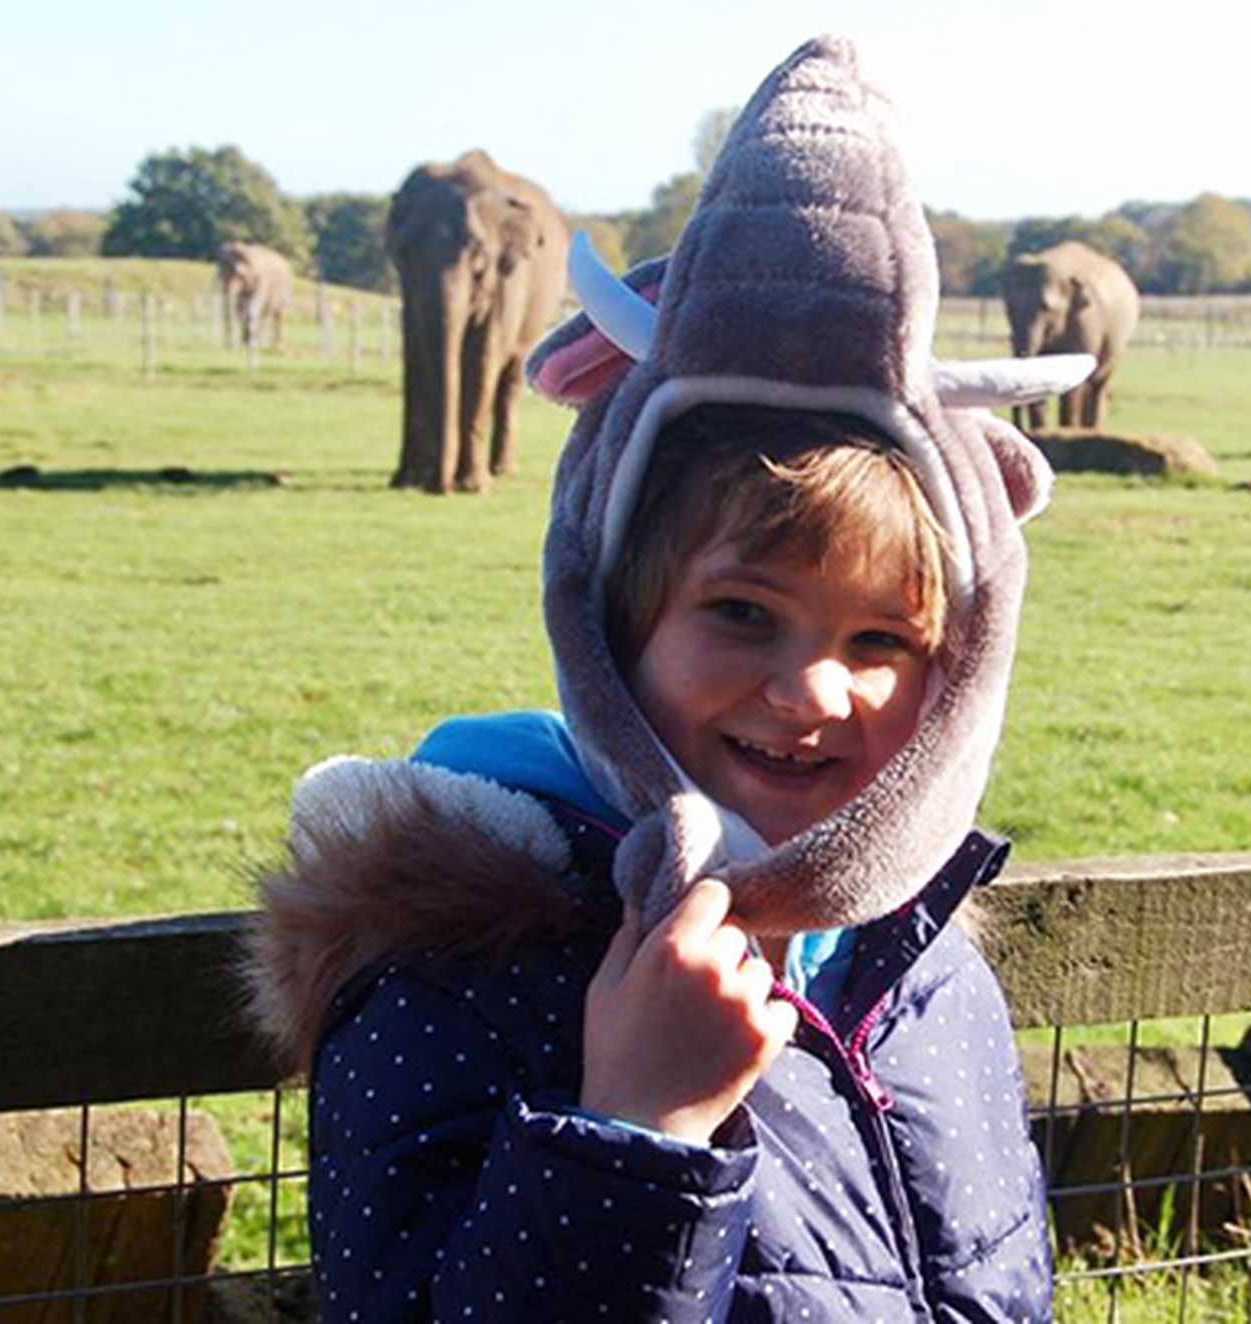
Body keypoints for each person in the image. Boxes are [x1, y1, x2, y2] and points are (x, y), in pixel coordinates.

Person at [248, 35, 1098, 1322]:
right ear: (614, 618)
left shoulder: (916, 960)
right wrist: (636, 1131)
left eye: (883, 642)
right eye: (744, 612)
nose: (817, 690)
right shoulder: (457, 974)